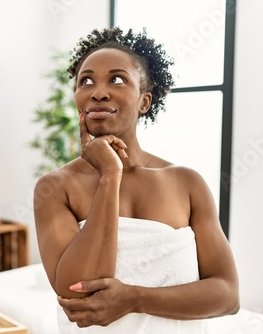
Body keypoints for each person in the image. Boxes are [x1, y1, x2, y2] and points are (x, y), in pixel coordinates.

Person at [33, 27, 239, 333]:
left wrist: (135, 298)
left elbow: (227, 295)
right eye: (85, 81)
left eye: (116, 79)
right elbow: (76, 293)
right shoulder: (55, 188)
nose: (97, 92)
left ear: (144, 101)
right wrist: (110, 176)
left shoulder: (187, 183)